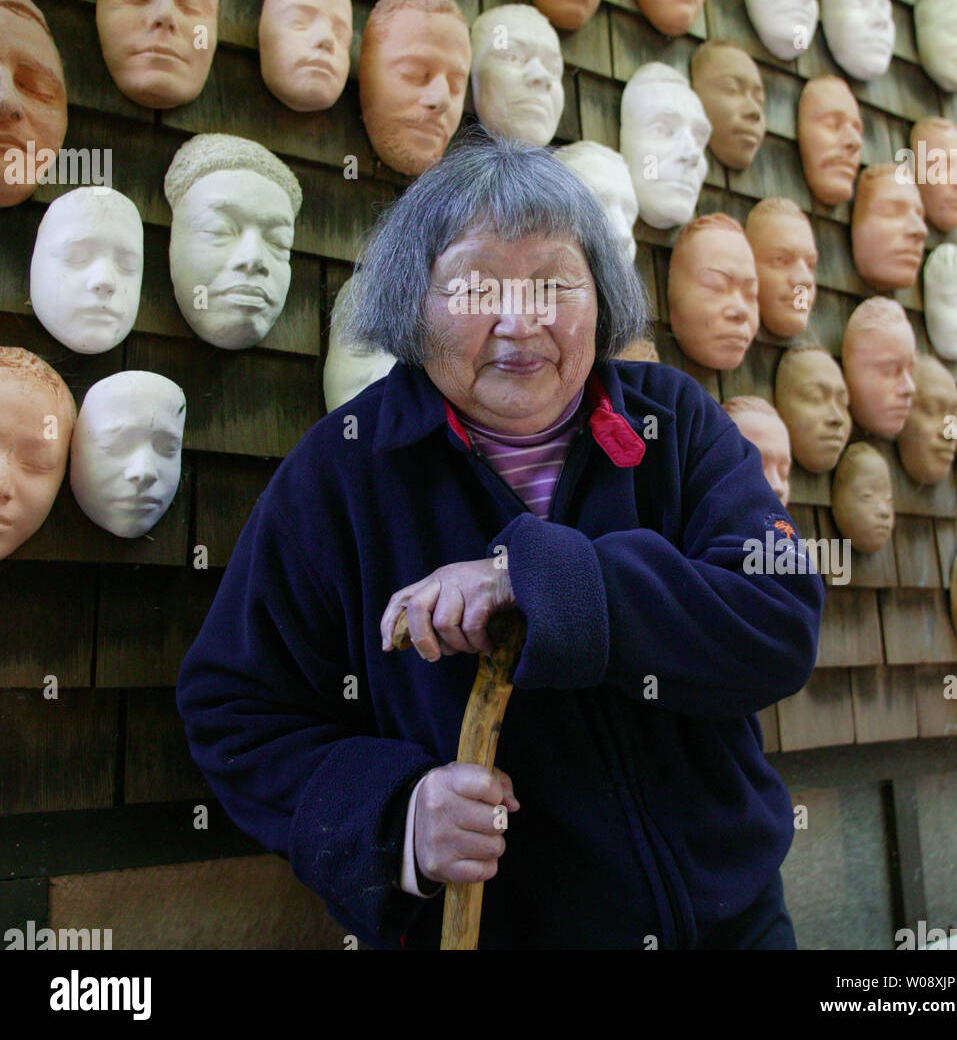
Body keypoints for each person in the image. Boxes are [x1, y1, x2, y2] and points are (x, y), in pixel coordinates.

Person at [176, 132, 823, 950]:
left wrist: (537, 582)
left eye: (556, 280)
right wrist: (396, 817)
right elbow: (234, 709)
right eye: (477, 284)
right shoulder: (341, 472)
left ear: (601, 295)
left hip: (731, 925)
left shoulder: (674, 425)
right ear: (413, 303)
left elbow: (778, 619)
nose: (522, 318)